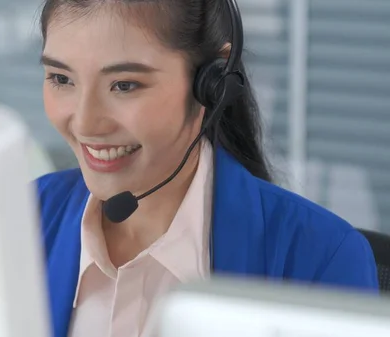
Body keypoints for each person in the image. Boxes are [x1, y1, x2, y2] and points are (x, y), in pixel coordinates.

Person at [34, 0, 379, 336]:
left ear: (213, 83)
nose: (86, 123)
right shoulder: (15, 220)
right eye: (62, 79)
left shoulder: (321, 259)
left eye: (124, 85)